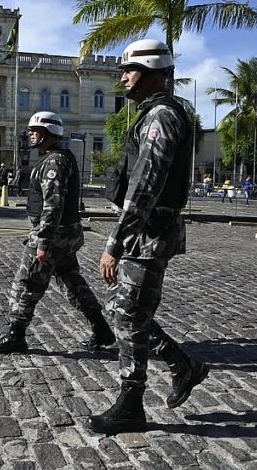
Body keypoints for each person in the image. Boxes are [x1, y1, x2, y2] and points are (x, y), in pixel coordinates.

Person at [89, 39, 209, 435]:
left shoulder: (161, 117)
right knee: (127, 312)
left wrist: (114, 242)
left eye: (131, 70)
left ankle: (131, 402)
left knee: (126, 313)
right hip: (146, 233)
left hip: (148, 234)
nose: (124, 77)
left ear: (156, 73)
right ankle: (182, 366)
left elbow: (145, 185)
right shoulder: (152, 114)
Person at [0, 111, 115, 355]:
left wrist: (43, 242)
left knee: (27, 283)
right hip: (65, 235)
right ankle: (101, 329)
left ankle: (16, 334)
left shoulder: (55, 162)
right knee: (72, 282)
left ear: (49, 134)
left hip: (53, 235)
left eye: (36, 131)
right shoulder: (57, 158)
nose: (31, 135)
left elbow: (52, 204)